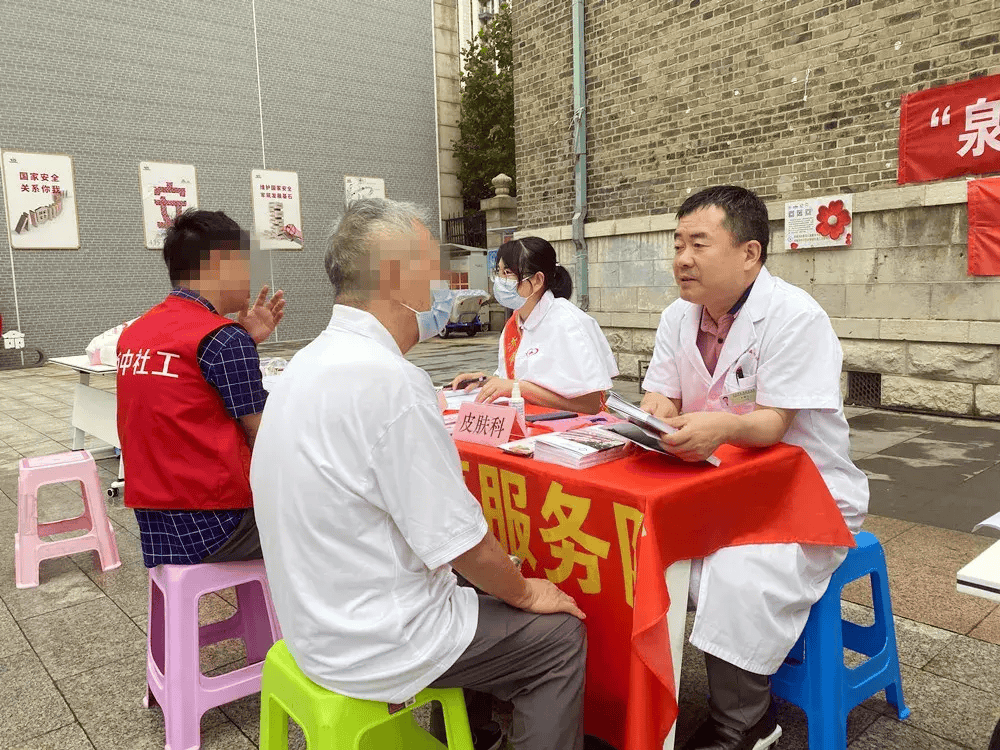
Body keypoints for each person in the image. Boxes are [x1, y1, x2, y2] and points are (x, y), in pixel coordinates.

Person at [250, 198, 588, 750]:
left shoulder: (305, 364)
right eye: (434, 269)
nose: (448, 285)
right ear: (398, 276)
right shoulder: (390, 382)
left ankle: (474, 734)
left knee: (487, 586)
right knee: (556, 635)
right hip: (375, 642)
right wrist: (526, 592)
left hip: (314, 624)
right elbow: (464, 544)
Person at [640, 186, 867, 750]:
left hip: (802, 494)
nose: (682, 259)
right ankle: (636, 701)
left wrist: (718, 426)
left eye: (698, 243)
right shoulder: (677, 316)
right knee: (634, 551)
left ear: (750, 254)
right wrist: (656, 414)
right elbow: (661, 394)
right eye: (677, 244)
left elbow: (773, 423)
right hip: (712, 484)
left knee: (736, 575)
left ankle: (745, 723)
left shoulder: (793, 316)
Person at [116, 209, 285, 568]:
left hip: (159, 528)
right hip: (218, 524)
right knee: (339, 511)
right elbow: (265, 438)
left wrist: (245, 339)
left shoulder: (136, 333)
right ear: (221, 264)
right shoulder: (221, 338)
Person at [450, 237, 618, 414]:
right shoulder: (514, 324)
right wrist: (485, 381)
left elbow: (590, 405)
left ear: (537, 280)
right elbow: (515, 382)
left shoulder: (569, 323)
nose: (499, 281)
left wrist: (520, 388)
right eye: (498, 272)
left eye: (507, 273)